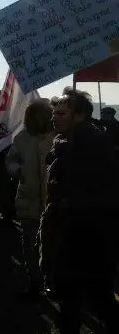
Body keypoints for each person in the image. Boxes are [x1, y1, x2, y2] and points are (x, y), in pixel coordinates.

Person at [40, 88, 118, 333]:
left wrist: (72, 203)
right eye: (54, 112)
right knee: (69, 302)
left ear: (80, 116)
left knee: (99, 302)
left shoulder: (95, 146)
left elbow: (108, 194)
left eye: (62, 113)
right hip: (67, 236)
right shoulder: (63, 142)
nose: (54, 117)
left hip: (88, 239)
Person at [5, 99, 54, 297]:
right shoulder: (22, 137)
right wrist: (19, 171)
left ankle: (50, 280)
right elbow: (11, 159)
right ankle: (34, 281)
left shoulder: (58, 136)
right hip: (28, 198)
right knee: (30, 243)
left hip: (53, 201)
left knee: (50, 244)